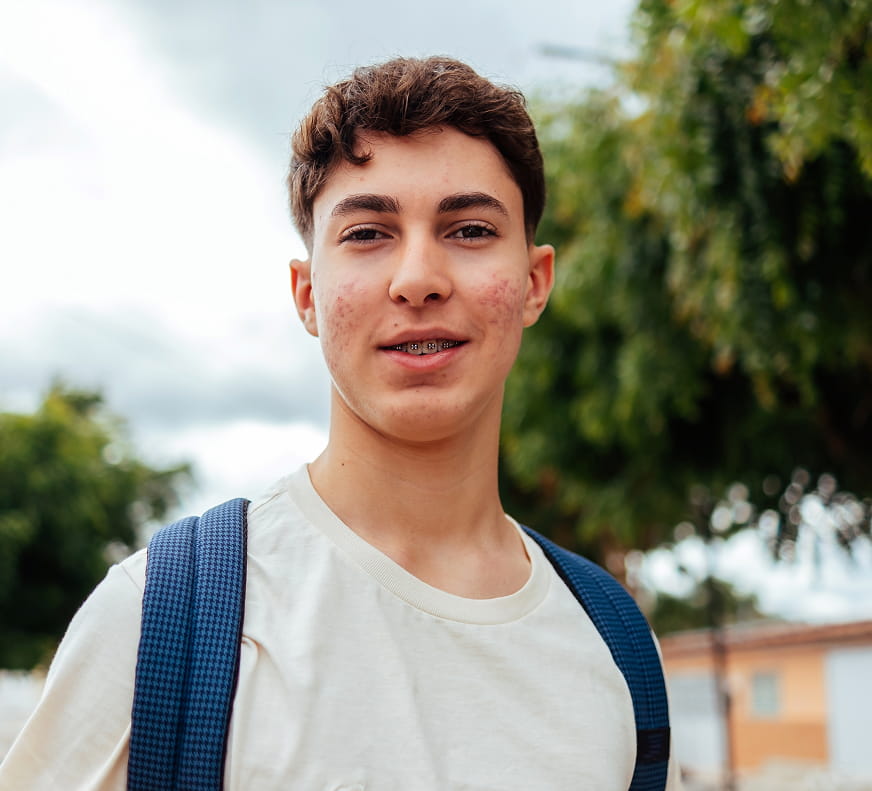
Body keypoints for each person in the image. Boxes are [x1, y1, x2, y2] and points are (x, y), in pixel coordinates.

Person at [0, 56, 683, 789]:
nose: (418, 278)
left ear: (534, 282)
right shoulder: (160, 624)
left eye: (471, 228)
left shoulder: (615, 649)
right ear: (307, 295)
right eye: (367, 234)